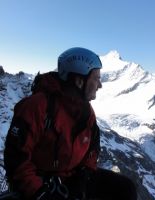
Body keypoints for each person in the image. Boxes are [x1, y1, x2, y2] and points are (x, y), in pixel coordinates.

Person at [4, 47, 137, 200]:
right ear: (79, 81)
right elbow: (16, 158)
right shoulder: (37, 106)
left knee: (125, 188)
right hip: (40, 183)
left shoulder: (85, 110)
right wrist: (40, 192)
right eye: (96, 78)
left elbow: (93, 147)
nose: (100, 85)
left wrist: (84, 175)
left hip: (72, 177)